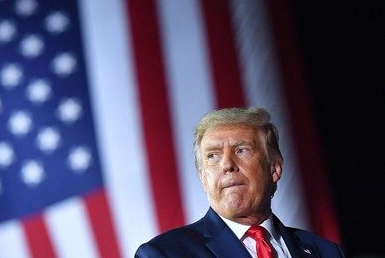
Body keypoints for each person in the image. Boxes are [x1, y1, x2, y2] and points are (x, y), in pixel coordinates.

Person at [135, 107, 344, 257]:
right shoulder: (164, 253)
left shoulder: (326, 252)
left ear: (274, 168)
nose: (227, 164)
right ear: (203, 178)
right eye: (212, 156)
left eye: (241, 150)